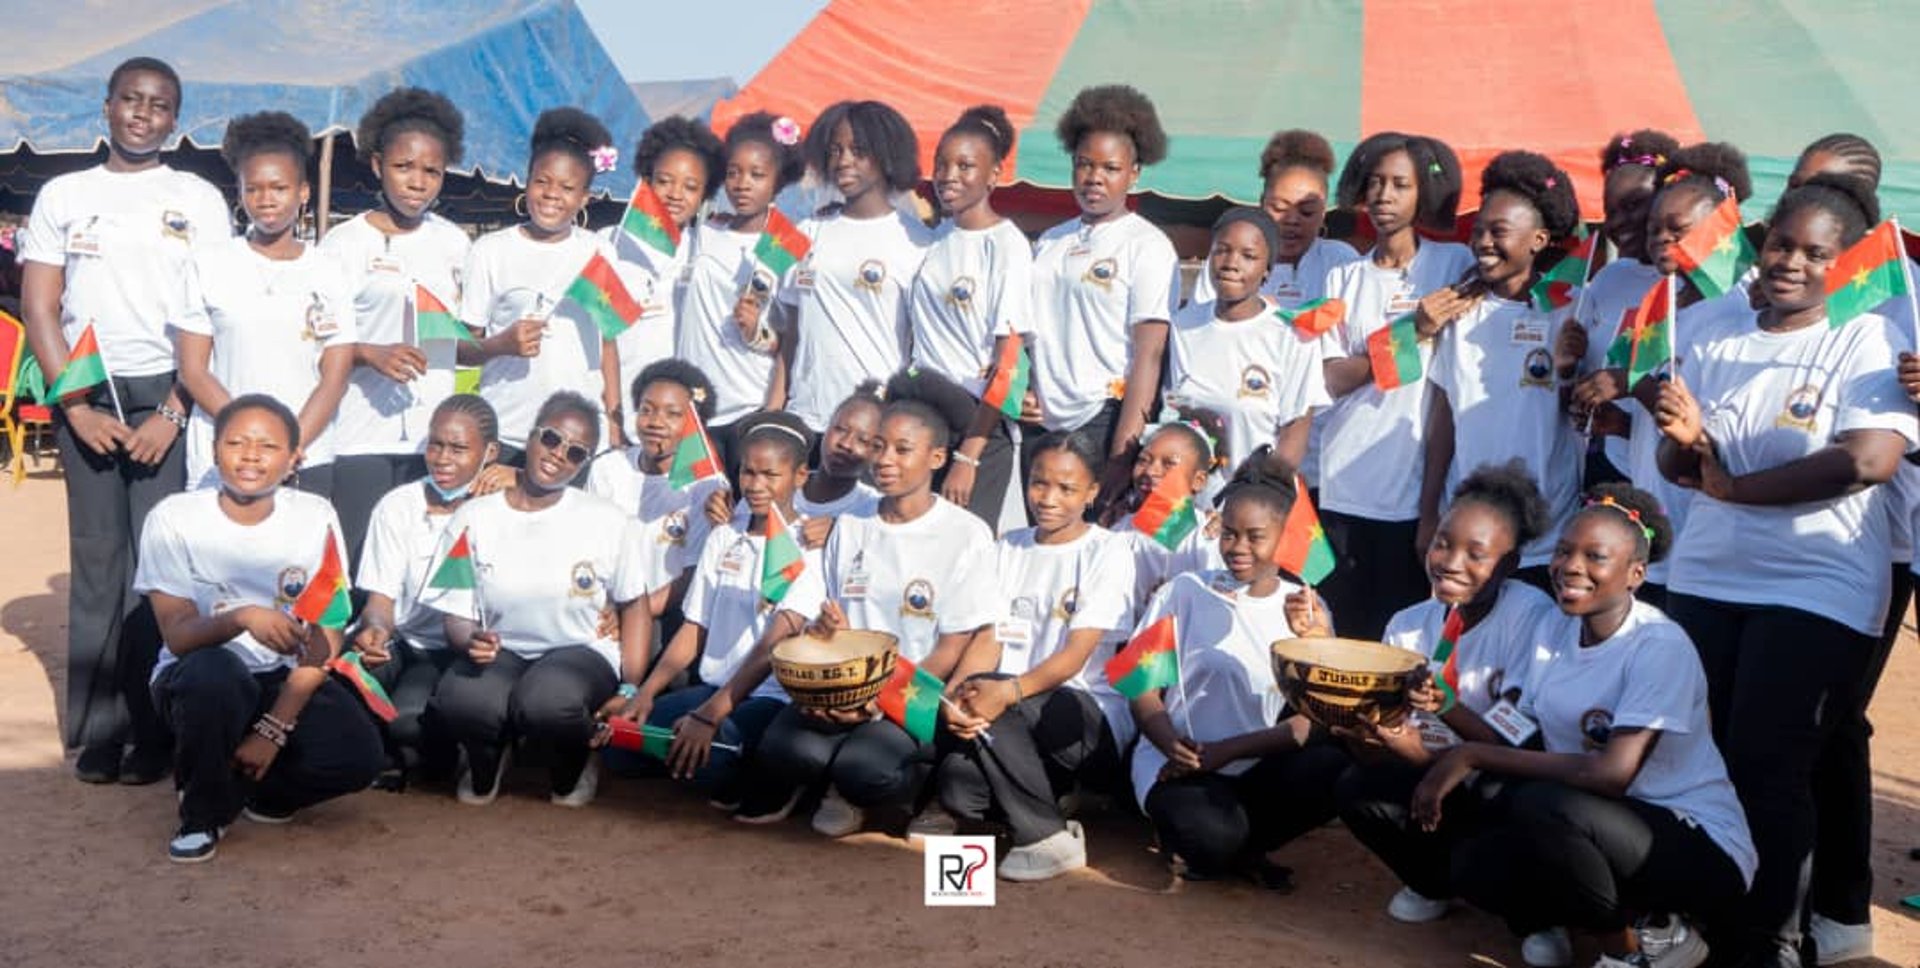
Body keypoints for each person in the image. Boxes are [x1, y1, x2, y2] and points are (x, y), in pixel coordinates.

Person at [1653, 175, 1915, 968]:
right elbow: (1682, 468)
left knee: (1769, 767)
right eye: (1780, 244)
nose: (1791, 263)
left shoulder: (1868, 339)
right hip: (1707, 576)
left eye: (1815, 253)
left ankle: (1767, 942)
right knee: (1695, 758)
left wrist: (1737, 489)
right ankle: (1694, 923)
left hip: (1816, 587)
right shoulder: (1714, 333)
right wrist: (1685, 440)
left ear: (1846, 263)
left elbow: (1866, 460)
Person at [1428, 486, 1754, 968]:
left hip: (1696, 843)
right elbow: (1516, 728)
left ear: (1636, 574)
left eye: (1595, 556)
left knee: (1542, 803)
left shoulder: (1658, 645)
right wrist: (1447, 707)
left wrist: (1472, 754)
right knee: (1478, 864)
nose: (1571, 567)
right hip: (1604, 825)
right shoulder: (1554, 628)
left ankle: (1632, 950)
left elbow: (1612, 774)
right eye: (1563, 551)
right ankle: (1616, 925)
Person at [19, 55, 232, 784]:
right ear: (106, 107)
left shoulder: (199, 199)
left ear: (177, 119)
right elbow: (40, 306)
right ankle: (100, 731)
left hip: (168, 393)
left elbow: (213, 311)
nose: (144, 114)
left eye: (160, 104)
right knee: (98, 562)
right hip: (88, 388)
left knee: (158, 568)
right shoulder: (65, 194)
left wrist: (174, 409)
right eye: (131, 99)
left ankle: (155, 728)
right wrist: (74, 407)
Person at [1333, 461, 1565, 966]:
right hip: (1429, 765)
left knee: (1499, 810)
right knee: (1356, 787)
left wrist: (1446, 706)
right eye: (1443, 543)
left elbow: (1514, 738)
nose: (1451, 562)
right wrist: (1365, 732)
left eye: (1476, 554)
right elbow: (1387, 733)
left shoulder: (1533, 617)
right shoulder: (1407, 624)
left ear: (1508, 564)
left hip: (1498, 775)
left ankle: (1535, 919)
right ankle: (1430, 884)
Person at [134, 394, 385, 862]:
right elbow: (178, 636)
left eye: (268, 446)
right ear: (214, 450)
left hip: (280, 676)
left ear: (293, 459)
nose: (250, 456)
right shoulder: (173, 517)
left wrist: (273, 729)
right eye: (236, 443)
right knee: (215, 676)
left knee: (358, 757)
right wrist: (243, 617)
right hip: (198, 675)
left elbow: (328, 629)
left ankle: (255, 793)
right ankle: (201, 815)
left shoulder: (315, 515)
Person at [752, 399, 1000, 836]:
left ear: (936, 458)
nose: (884, 460)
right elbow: (825, 620)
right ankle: (831, 778)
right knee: (783, 750)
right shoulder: (849, 524)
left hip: (914, 690)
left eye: (902, 450)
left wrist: (877, 700)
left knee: (865, 769)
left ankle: (910, 788)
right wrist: (826, 634)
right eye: (879, 446)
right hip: (845, 685)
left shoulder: (966, 534)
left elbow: (953, 646)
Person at [422, 391, 654, 808]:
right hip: (502, 650)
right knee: (461, 697)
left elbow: (636, 606)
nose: (558, 454)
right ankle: (487, 761)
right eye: (551, 438)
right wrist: (469, 639)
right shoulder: (474, 516)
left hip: (580, 651)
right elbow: (456, 613)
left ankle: (573, 768)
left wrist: (631, 686)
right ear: (531, 436)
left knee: (548, 701)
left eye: (576, 452)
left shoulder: (609, 521)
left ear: (584, 463)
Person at [1805, 132, 1918, 966]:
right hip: (1782, 540)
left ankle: (1841, 909)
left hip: (1885, 543)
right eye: (1804, 189)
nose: (1819, 208)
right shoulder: (1776, 286)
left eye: (1839, 194)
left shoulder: (1902, 292)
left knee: (1834, 717)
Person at [1128, 461, 1348, 889]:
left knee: (1332, 768)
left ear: (1284, 538)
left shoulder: (1308, 609)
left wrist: (1230, 751)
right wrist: (1174, 747)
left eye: (1255, 536)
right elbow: (1141, 688)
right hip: (1179, 764)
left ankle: (1240, 848)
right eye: (1229, 533)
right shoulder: (1184, 590)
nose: (1237, 547)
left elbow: (1314, 720)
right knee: (1211, 836)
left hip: (1254, 763)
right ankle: (1211, 841)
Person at [600, 410, 824, 816]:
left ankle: (744, 773)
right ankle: (684, 754)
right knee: (618, 741)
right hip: (712, 687)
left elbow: (771, 648)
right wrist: (646, 693)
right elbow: (694, 627)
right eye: (748, 472)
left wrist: (709, 716)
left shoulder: (809, 549)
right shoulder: (724, 536)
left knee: (715, 751)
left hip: (767, 697)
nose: (755, 485)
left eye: (770, 475)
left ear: (800, 476)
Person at [936, 431, 1135, 880]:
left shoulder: (1108, 550)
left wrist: (1004, 692)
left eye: (1066, 488)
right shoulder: (1008, 546)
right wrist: (957, 696)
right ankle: (1053, 799)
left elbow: (1077, 655)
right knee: (958, 788)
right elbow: (988, 638)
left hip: (1083, 715)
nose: (1048, 499)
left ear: (1091, 492)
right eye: (1039, 483)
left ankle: (1045, 838)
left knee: (999, 696)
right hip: (1008, 711)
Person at [1565, 143, 1753, 607]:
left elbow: (1712, 431)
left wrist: (1631, 383)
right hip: (1654, 506)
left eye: (1677, 229)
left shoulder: (1739, 310)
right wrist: (1622, 423)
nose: (1660, 238)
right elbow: (1662, 419)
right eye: (1655, 229)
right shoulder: (1664, 301)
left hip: (1703, 523)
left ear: (1717, 226)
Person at [1316, 131, 1473, 640]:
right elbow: (1332, 377)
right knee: (1340, 636)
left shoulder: (1452, 265)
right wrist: (1410, 332)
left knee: (1399, 638)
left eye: (1400, 185)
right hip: (1343, 487)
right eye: (1376, 183)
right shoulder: (1343, 278)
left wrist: (1429, 507)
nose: (1384, 196)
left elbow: (1449, 389)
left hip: (1411, 496)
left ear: (1423, 193)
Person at [1422, 151, 1585, 591]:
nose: (1483, 242)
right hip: (1467, 531)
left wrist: (1569, 372)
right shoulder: (1459, 312)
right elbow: (1444, 418)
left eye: (1499, 231)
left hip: (1548, 529)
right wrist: (1429, 512)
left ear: (1538, 240)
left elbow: (1582, 416)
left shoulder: (1571, 309)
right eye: (1478, 230)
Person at [324, 88, 471, 567]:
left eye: (432, 171)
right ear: (377, 165)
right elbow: (317, 339)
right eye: (404, 167)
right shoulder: (343, 244)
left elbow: (467, 338)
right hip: (360, 433)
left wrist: (502, 343)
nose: (417, 182)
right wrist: (369, 353)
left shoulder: (456, 244)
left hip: (432, 437)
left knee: (419, 561)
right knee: (356, 560)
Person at [173, 111, 355, 495]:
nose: (266, 199)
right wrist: (247, 441)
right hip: (225, 455)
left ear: (303, 192)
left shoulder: (330, 270)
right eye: (253, 189)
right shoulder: (209, 263)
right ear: (239, 192)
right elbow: (193, 370)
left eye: (279, 188)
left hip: (306, 454)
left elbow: (335, 376)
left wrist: (288, 445)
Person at [1026, 85, 1178, 502]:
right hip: (1040, 426)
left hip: (1102, 421)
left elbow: (1149, 355)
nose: (1094, 178)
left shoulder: (1147, 245)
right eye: (1084, 164)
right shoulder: (1049, 242)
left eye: (1110, 167)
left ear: (1134, 173)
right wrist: (1021, 390)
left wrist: (1122, 455)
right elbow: (1026, 331)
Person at [1190, 129, 1362, 492]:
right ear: (1260, 202)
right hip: (1240, 449)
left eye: (1307, 211)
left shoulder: (1342, 263)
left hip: (1327, 459)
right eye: (1279, 208)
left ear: (1325, 210)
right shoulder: (1229, 265)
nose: (1292, 221)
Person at [352, 394, 500, 786]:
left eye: (458, 449)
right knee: (349, 675)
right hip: (405, 640)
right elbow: (381, 599)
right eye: (435, 445)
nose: (442, 459)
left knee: (411, 722)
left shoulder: (501, 510)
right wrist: (375, 631)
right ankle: (379, 755)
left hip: (460, 650)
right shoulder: (397, 506)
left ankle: (459, 752)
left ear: (490, 453)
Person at [458, 108, 622, 461]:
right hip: (507, 429)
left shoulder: (599, 251)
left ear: (585, 198)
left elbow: (608, 342)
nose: (551, 194)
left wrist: (614, 418)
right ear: (527, 182)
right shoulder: (490, 250)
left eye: (567, 187)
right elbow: (461, 348)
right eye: (542, 182)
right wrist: (500, 344)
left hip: (576, 437)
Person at [908, 104, 1032, 526]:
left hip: (977, 427)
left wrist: (969, 456)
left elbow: (1009, 363)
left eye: (965, 166)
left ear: (994, 174)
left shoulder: (1007, 246)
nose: (949, 176)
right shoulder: (933, 239)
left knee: (963, 548)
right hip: (924, 418)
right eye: (941, 164)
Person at [779, 100, 932, 437]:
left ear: (886, 155)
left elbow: (923, 348)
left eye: (858, 151)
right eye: (835, 150)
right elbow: (790, 333)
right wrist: (774, 409)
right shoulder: (804, 232)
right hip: (805, 418)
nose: (843, 161)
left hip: (874, 424)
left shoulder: (918, 242)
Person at [675, 111, 806, 469]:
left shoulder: (785, 244)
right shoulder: (702, 232)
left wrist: (771, 409)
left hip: (748, 405)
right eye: (734, 173)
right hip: (693, 408)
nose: (742, 184)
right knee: (693, 500)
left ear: (778, 180)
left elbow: (791, 340)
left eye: (757, 174)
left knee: (743, 502)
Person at [1165, 206, 1329, 492]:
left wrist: (1252, 500)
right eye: (1222, 251)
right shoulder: (1183, 325)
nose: (1231, 263)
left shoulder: (1293, 338)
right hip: (1183, 502)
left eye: (1248, 256)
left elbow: (1293, 438)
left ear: (1267, 270)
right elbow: (1172, 410)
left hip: (1253, 502)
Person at [1556, 129, 1681, 488]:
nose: (1619, 221)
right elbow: (1588, 384)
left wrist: (1627, 420)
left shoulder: (1693, 288)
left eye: (1634, 205)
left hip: (1674, 482)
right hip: (1613, 469)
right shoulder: (1609, 279)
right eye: (1611, 211)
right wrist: (1570, 367)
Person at [604, 115, 725, 429]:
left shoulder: (707, 251)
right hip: (613, 412)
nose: (675, 194)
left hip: (675, 420)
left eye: (690, 187)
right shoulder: (609, 243)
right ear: (646, 180)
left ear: (705, 195)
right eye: (664, 181)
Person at [586, 359, 729, 624]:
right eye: (646, 410)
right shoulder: (607, 468)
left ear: (694, 424)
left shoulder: (707, 486)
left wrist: (629, 617)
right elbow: (590, 547)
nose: (655, 422)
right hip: (605, 608)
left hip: (665, 613)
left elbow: (692, 574)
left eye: (672, 414)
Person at [1102, 418, 1225, 607]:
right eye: (1143, 460)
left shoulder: (1206, 538)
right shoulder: (1120, 531)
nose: (1150, 471)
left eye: (1168, 463)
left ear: (1198, 480)